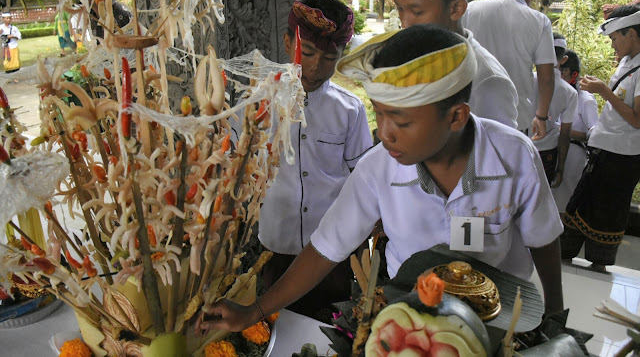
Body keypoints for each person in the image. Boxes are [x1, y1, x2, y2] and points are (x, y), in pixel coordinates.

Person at [198, 24, 564, 334]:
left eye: (401, 122)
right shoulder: (379, 167)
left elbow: (543, 239)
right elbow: (327, 246)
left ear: (456, 117)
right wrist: (253, 312)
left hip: (496, 325)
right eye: (380, 116)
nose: (384, 133)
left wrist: (554, 317)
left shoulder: (514, 155)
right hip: (410, 323)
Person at [257, 0, 373, 321]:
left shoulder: (350, 110)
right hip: (275, 247)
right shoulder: (256, 103)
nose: (314, 67)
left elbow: (362, 182)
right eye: (306, 52)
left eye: (329, 57)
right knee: (274, 327)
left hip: (333, 250)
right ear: (286, 41)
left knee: (333, 329)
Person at [373, 0, 518, 129]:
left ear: (456, 9)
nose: (405, 23)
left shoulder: (488, 82)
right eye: (400, 9)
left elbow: (498, 153)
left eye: (417, 12)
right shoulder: (404, 59)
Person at [561, 5, 640, 272]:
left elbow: (637, 120)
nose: (613, 45)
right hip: (605, 150)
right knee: (579, 208)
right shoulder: (629, 63)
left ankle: (598, 270)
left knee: (607, 215)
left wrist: (604, 91)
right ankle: (566, 262)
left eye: (615, 38)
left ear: (631, 33)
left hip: (622, 157)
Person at [462, 0, 556, 137]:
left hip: (469, 112)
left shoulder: (470, 8)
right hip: (514, 118)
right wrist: (541, 117)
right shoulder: (540, 21)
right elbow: (547, 77)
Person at [551, 50, 598, 213]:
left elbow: (593, 135)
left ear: (574, 74)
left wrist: (564, 131)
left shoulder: (585, 99)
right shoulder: (552, 94)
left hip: (574, 152)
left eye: (564, 70)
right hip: (554, 150)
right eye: (558, 69)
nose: (560, 74)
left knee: (566, 200)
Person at [529, 33, 577, 185]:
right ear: (564, 59)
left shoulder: (526, 80)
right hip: (546, 154)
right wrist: (560, 167)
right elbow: (565, 133)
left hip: (520, 148)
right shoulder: (570, 92)